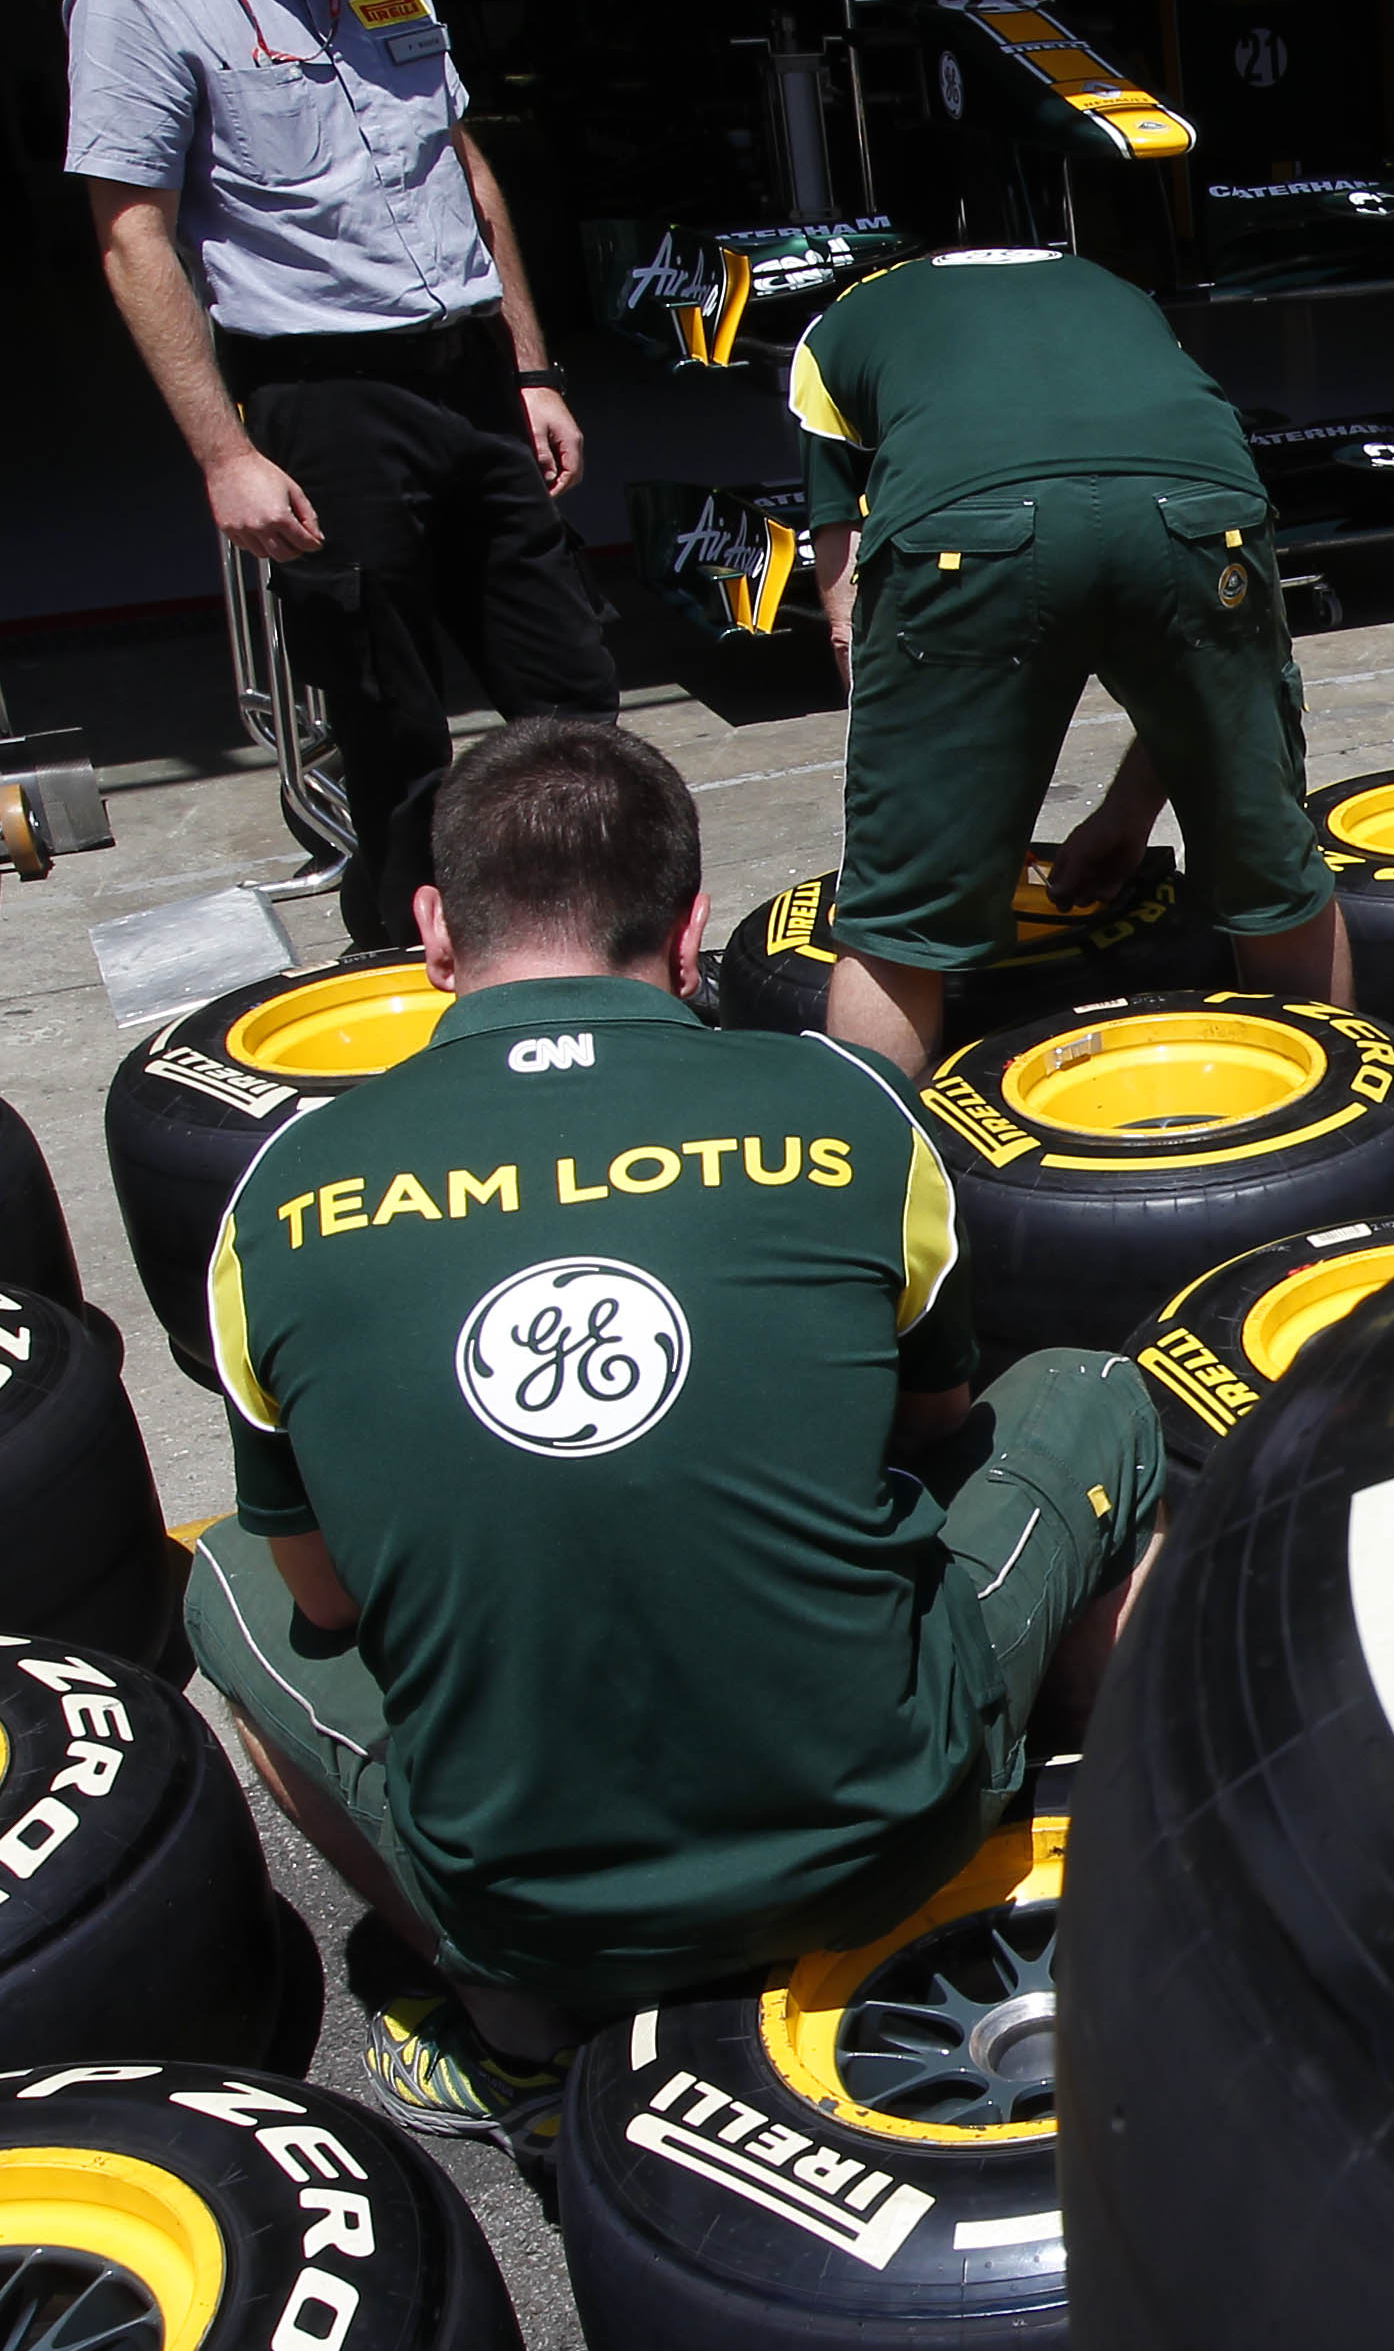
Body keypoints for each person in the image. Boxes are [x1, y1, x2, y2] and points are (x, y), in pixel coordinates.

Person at [185, 718, 1163, 2138]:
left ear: (432, 933)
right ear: (691, 931)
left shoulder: (281, 1189)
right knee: (1091, 1389)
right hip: (892, 1832)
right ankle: (1118, 1844)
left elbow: (325, 1598)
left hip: (535, 1903)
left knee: (227, 1579)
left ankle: (517, 2039)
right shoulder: (845, 1106)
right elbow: (934, 1425)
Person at [67, 0, 618, 957]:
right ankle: (413, 965)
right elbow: (132, 237)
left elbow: (457, 162)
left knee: (573, 687)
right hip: (326, 394)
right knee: (390, 722)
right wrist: (224, 453)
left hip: (470, 371)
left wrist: (531, 366)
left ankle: (603, 949)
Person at [787, 244, 1354, 1075]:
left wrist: (913, 782)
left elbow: (844, 604)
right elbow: (1186, 678)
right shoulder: (1112, 287)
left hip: (967, 530)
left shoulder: (836, 327)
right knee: (1272, 869)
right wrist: (1127, 816)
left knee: (898, 925)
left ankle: (872, 1152)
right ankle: (1341, 1117)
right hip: (1201, 510)